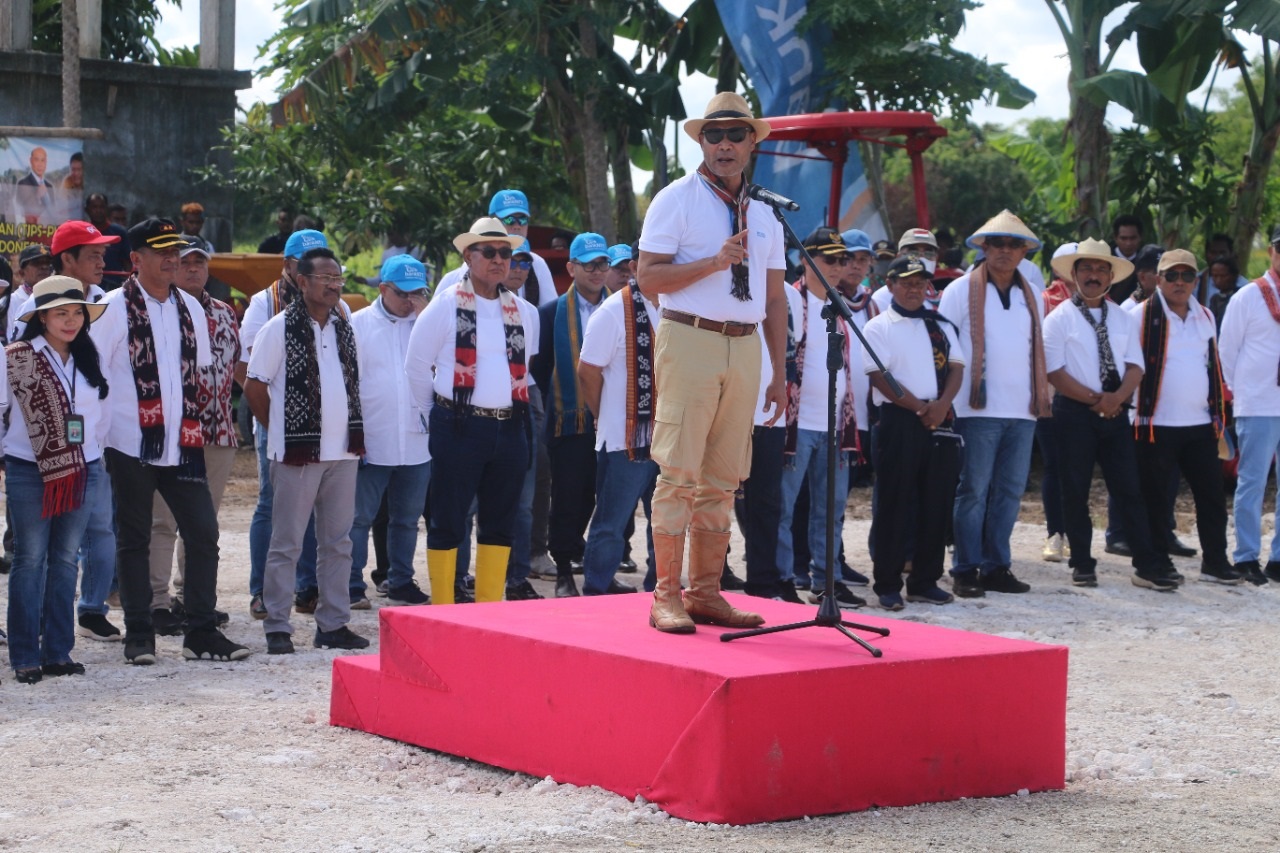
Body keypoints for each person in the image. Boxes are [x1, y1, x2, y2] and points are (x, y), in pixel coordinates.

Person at [637, 92, 787, 633]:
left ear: (752, 143)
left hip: (745, 345)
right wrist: (713, 262)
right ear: (701, 142)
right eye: (714, 135)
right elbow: (647, 278)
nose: (725, 144)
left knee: (724, 479)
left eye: (735, 134)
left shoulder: (767, 211)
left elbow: (775, 298)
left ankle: (705, 592)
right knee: (678, 474)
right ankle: (665, 596)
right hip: (690, 336)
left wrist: (780, 372)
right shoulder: (675, 198)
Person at [90, 217, 250, 663]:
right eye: (161, 252)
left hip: (183, 442)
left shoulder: (192, 308)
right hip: (130, 442)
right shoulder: (113, 308)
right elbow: (94, 376)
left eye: (174, 251)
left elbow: (196, 375)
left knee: (203, 533)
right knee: (134, 538)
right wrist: (98, 442)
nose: (171, 259)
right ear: (135, 259)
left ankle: (201, 631)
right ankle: (139, 632)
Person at [406, 218, 538, 604]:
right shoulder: (445, 305)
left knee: (500, 523)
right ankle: (444, 607)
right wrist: (438, 415)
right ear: (468, 256)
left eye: (506, 253)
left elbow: (524, 368)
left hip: (509, 426)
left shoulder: (524, 311)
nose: (499, 260)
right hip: (458, 424)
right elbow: (416, 368)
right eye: (489, 252)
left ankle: (488, 610)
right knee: (448, 520)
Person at [244, 246, 369, 654]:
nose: (334, 286)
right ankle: (278, 626)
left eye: (338, 278)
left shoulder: (345, 326)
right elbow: (254, 388)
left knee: (338, 543)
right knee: (287, 542)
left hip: (343, 453)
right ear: (302, 281)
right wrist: (282, 431)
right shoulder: (278, 328)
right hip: (297, 455)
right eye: (325, 278)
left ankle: (333, 624)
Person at [1042, 238, 1178, 591]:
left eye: (1101, 269)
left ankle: (1146, 565)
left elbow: (1136, 366)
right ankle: (1082, 563)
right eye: (1087, 268)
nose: (1094, 275)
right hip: (1074, 413)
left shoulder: (1122, 317)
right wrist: (1096, 399)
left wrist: (1115, 398)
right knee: (1075, 490)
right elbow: (1054, 372)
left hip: (1116, 412)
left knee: (1129, 489)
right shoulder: (1058, 319)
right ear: (1074, 274)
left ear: (1110, 276)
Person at [2, 277, 110, 683]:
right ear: (41, 317)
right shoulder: (16, 357)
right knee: (30, 560)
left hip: (84, 467)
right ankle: (25, 654)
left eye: (77, 312)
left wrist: (92, 454)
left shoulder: (89, 355)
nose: (70, 320)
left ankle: (58, 652)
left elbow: (101, 413)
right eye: (60, 313)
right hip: (29, 469)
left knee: (65, 559)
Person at [939, 210, 1049, 599]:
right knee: (973, 490)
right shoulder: (959, 290)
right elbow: (944, 347)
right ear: (983, 248)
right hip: (976, 408)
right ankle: (965, 567)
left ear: (1024, 252)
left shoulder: (1033, 294)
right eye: (997, 243)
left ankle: (997, 566)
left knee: (1010, 491)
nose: (1005, 250)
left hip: (1023, 409)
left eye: (1013, 244)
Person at [1131, 249, 1242, 584]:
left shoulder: (1205, 315)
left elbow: (1212, 365)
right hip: (1156, 424)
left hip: (1200, 423)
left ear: (1196, 281)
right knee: (1155, 498)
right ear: (1158, 279)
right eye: (1172, 275)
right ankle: (1156, 562)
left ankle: (1215, 561)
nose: (1179, 282)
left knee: (1211, 497)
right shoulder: (1138, 316)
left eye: (1187, 276)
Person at [147, 237, 241, 632]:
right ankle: (155, 602)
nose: (192, 269)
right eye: (185, 262)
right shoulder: (159, 309)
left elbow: (236, 366)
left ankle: (193, 598)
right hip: (173, 433)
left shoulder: (224, 312)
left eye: (199, 263)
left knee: (203, 523)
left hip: (218, 431)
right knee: (163, 520)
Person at [237, 229, 331, 618]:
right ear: (287, 266)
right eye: (303, 263)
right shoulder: (264, 304)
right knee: (271, 503)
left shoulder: (334, 304)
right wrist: (271, 421)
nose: (312, 271)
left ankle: (307, 587)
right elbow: (246, 370)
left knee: (312, 503)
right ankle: (262, 590)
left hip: (321, 423)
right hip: (275, 420)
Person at [862, 257, 965, 609]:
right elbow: (880, 377)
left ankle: (925, 580)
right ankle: (887, 583)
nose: (913, 289)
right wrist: (920, 407)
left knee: (937, 502)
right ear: (890, 284)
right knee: (895, 502)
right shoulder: (879, 326)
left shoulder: (940, 325)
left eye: (920, 283)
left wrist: (941, 404)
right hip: (899, 419)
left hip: (940, 417)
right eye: (906, 282)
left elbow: (956, 368)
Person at [775, 227, 865, 608]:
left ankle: (828, 580)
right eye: (829, 259)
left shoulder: (839, 306)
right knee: (784, 508)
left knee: (832, 511)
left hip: (834, 424)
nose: (838, 266)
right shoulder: (789, 298)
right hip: (796, 425)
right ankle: (781, 579)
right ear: (805, 260)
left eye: (843, 259)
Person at [46, 220, 122, 643]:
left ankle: (92, 609)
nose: (101, 261)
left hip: (96, 440)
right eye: (92, 254)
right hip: (52, 448)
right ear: (67, 259)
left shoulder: (106, 304)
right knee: (55, 540)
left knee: (100, 529)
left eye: (102, 254)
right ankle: (48, 616)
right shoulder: (38, 308)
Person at [530, 232, 612, 597]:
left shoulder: (621, 309)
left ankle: (593, 567)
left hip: (611, 421)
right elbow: (539, 368)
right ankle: (563, 569)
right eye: (588, 264)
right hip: (569, 422)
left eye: (602, 263)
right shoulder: (551, 314)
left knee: (596, 497)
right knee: (566, 498)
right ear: (571, 268)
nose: (597, 271)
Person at [348, 254, 432, 606]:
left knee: (407, 519)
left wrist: (426, 317)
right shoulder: (357, 325)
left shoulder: (427, 324)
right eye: (403, 294)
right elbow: (347, 383)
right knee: (358, 518)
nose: (411, 301)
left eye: (418, 293)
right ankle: (351, 585)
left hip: (417, 441)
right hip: (373, 438)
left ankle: (400, 581)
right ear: (383, 289)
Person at [577, 244, 657, 596]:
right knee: (611, 522)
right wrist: (603, 415)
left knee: (666, 523)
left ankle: (660, 591)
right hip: (626, 438)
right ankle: (596, 590)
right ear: (636, 267)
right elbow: (587, 372)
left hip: (668, 437)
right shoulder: (612, 311)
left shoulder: (677, 305)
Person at [1218, 226, 1280, 586]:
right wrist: (1240, 392)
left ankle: (1278, 558)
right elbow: (1226, 349)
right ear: (1271, 251)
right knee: (1252, 481)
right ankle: (1245, 556)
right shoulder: (1249, 296)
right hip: (1258, 402)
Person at [436, 190, 557, 307]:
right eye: (509, 220)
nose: (517, 226)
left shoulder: (537, 264)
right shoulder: (450, 285)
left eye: (522, 220)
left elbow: (551, 312)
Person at [84, 193, 132, 290]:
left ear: (107, 209)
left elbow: (128, 263)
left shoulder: (120, 232)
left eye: (101, 207)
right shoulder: (82, 232)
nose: (98, 210)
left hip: (113, 286)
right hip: (87, 285)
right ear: (87, 210)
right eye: (94, 207)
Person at [7, 245, 53, 340]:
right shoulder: (11, 302)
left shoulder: (58, 298)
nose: (44, 267)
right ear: (22, 273)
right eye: (37, 263)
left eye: (48, 263)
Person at [1109, 214, 1143, 303]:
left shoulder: (1146, 262)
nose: (1128, 243)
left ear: (1140, 237)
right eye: (1123, 238)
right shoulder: (1105, 260)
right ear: (1115, 238)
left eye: (1133, 238)